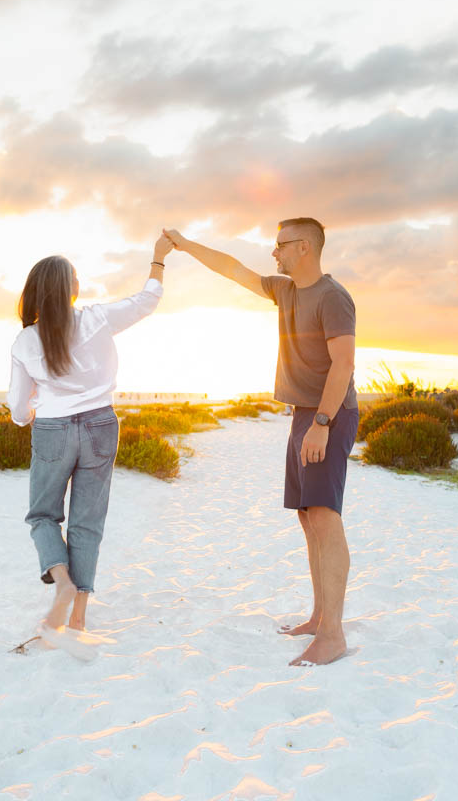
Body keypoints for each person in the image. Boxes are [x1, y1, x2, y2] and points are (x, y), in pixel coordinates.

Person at [163, 218, 357, 666]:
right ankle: (318, 617)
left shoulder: (334, 297)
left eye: (281, 245)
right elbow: (232, 269)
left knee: (326, 517)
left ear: (305, 247)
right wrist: (187, 245)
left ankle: (333, 635)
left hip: (331, 413)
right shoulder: (286, 291)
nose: (274, 253)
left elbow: (343, 365)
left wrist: (323, 423)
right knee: (308, 517)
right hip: (305, 414)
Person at [7, 234, 173, 654]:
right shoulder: (98, 318)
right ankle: (77, 617)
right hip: (101, 424)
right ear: (71, 290)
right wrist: (157, 258)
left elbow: (16, 406)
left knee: (43, 515)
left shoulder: (25, 340)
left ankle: (61, 583)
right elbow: (147, 299)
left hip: (53, 429)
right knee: (87, 521)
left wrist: (28, 413)